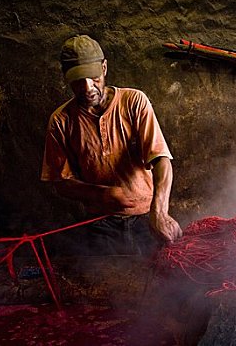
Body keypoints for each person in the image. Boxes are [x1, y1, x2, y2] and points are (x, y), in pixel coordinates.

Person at [40, 34, 182, 256]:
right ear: (66, 78)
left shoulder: (134, 102)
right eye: (78, 80)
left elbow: (161, 159)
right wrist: (103, 195)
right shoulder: (61, 121)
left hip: (146, 219)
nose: (87, 88)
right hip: (100, 225)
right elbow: (60, 183)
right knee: (106, 281)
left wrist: (160, 212)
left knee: (157, 279)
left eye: (93, 77)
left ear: (104, 68)